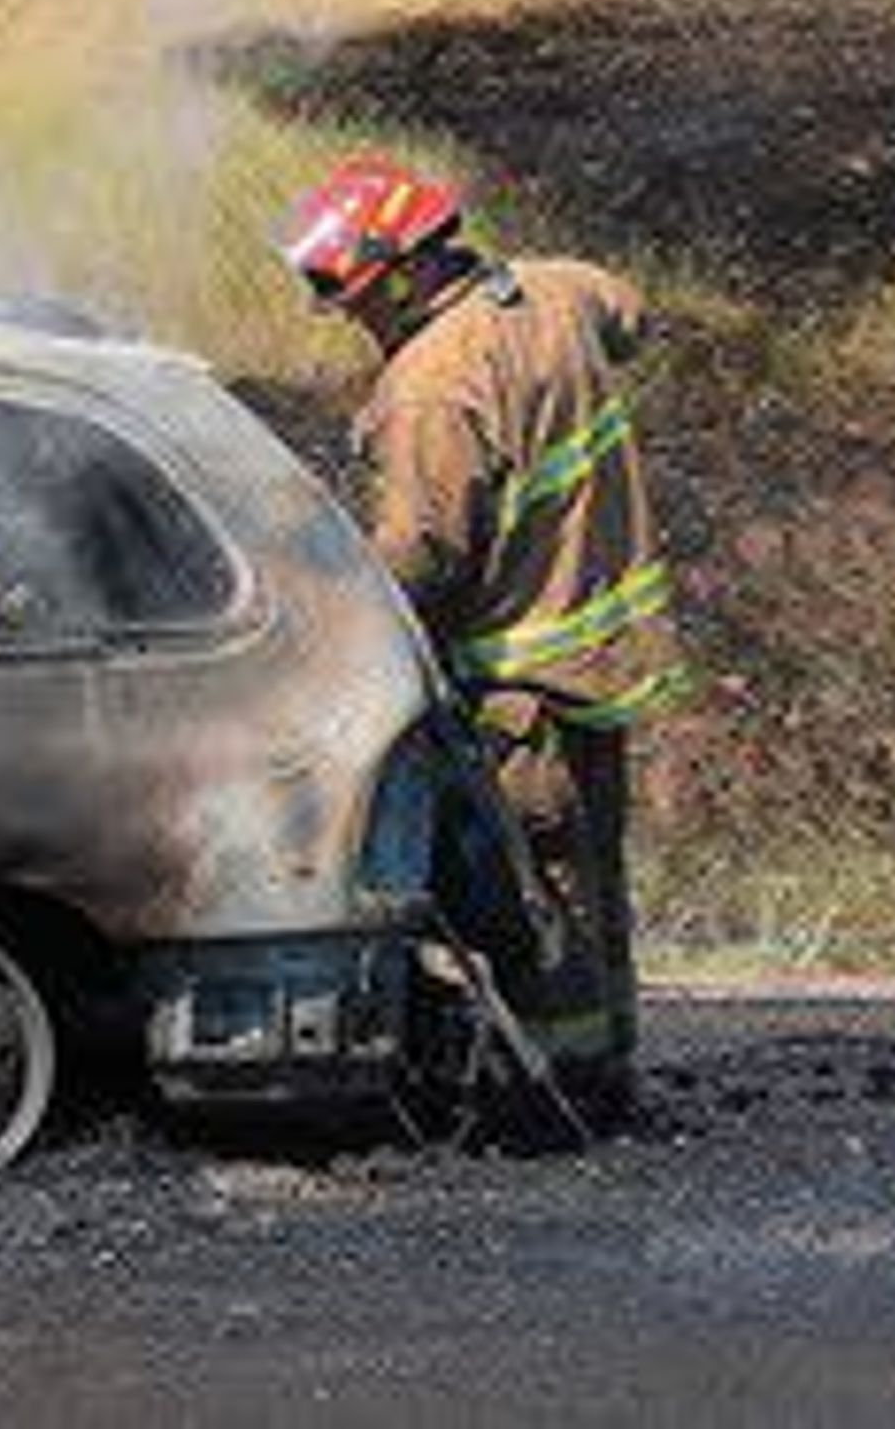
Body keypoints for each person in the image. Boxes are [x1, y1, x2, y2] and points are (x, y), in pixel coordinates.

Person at [280, 152, 692, 1114]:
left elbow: (427, 556)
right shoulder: (556, 291)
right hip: (599, 664)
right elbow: (628, 309)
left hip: (519, 682)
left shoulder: (430, 386)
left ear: (414, 265)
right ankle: (604, 1069)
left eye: (352, 287)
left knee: (532, 901)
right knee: (589, 883)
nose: (342, 309)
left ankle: (553, 1095)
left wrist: (330, 625)